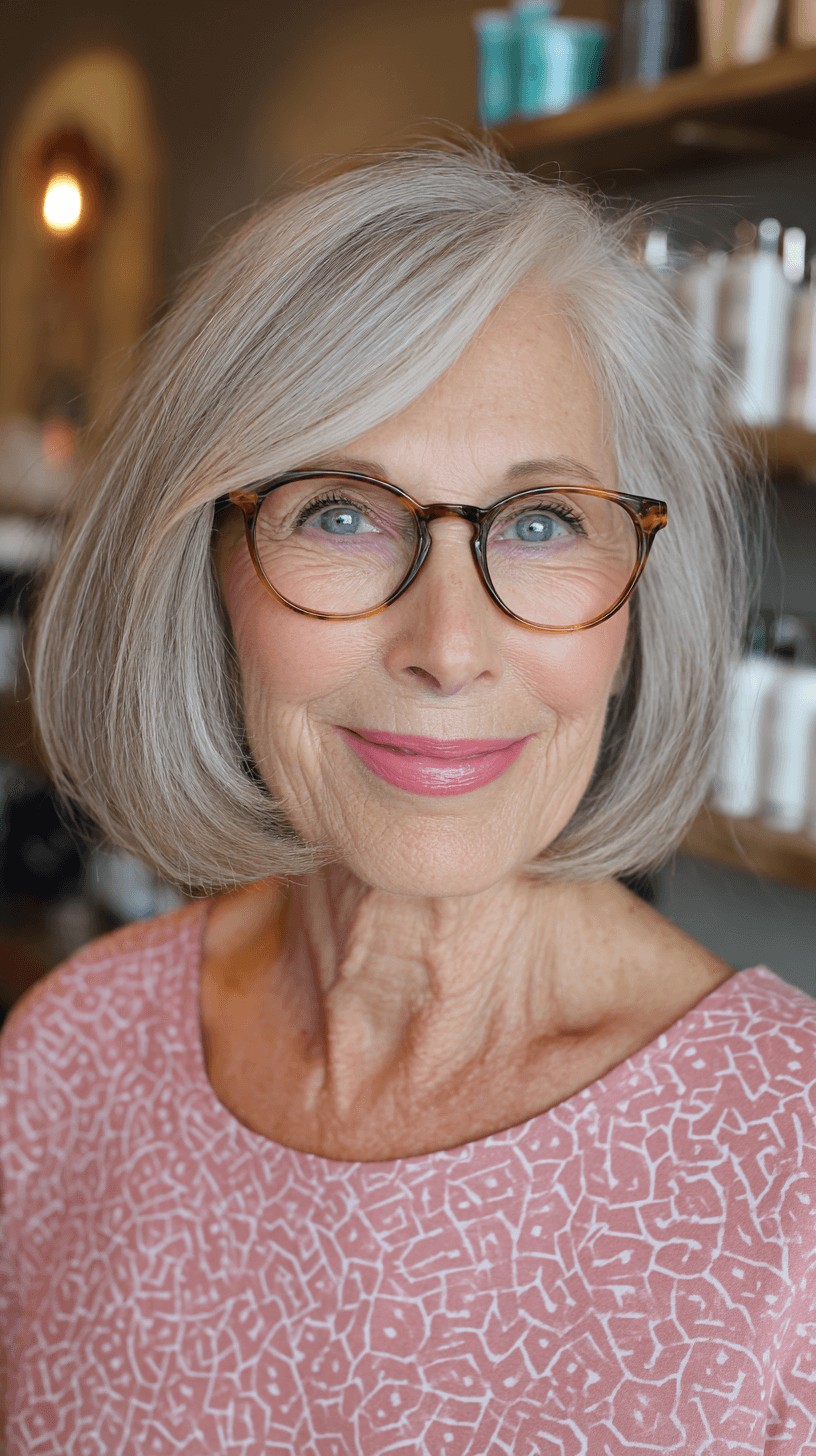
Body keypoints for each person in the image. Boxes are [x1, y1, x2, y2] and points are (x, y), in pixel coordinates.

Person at [2, 141, 814, 1455]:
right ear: (206, 568)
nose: (447, 643)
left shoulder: (793, 1174)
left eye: (543, 522)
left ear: (638, 599)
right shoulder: (68, 1060)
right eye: (340, 513)